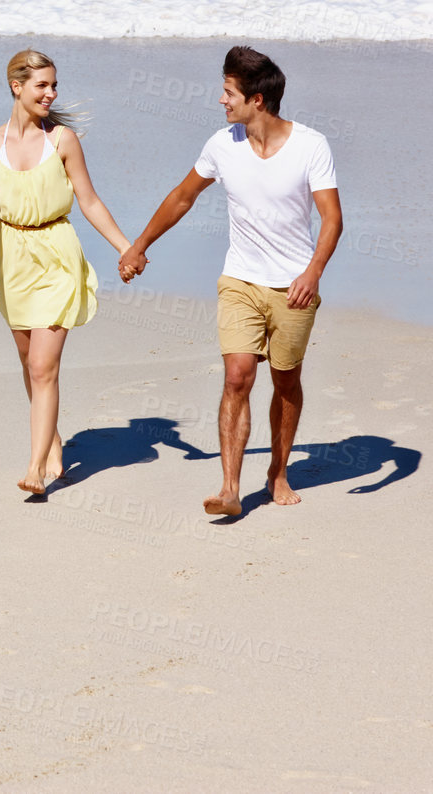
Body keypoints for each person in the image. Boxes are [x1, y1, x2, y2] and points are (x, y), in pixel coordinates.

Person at [118, 46, 343, 516]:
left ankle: (278, 472)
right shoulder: (223, 144)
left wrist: (312, 271)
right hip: (240, 279)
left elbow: (331, 219)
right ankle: (229, 488)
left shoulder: (311, 146)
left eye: (228, 92)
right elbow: (183, 197)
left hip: (293, 287)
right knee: (237, 376)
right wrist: (140, 245)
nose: (222, 101)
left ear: (256, 99)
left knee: (286, 382)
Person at [0, 49, 135, 499]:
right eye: (42, 85)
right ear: (17, 86)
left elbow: (89, 201)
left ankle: (35, 466)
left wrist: (127, 247)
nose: (52, 93)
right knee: (30, 363)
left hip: (57, 255)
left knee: (44, 366)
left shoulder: (62, 140)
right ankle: (54, 438)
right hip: (13, 258)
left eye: (54, 85)